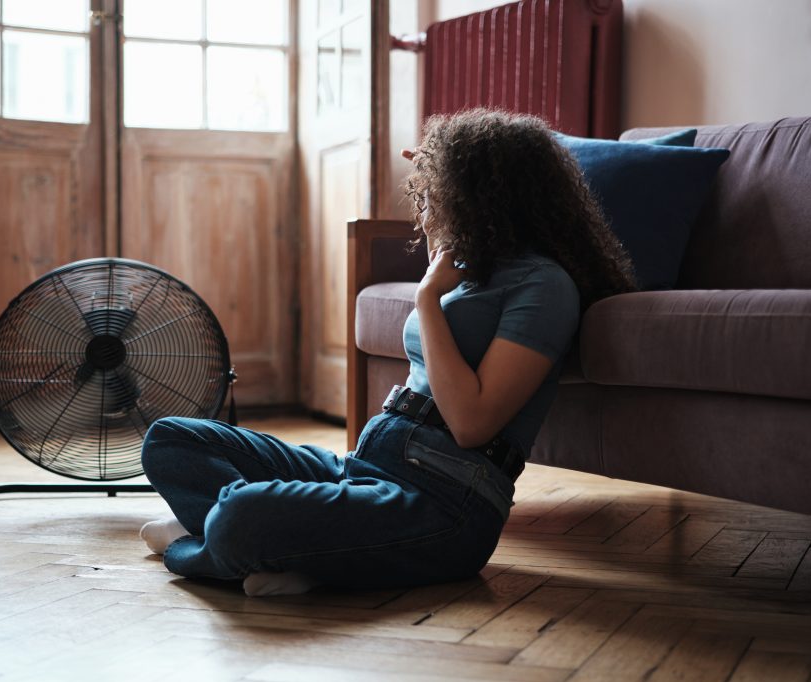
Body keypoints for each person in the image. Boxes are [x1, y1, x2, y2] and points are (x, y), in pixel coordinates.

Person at [139, 108, 637, 597]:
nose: (424, 209)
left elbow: (471, 422)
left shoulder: (545, 286)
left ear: (482, 196)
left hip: (443, 502)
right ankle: (311, 558)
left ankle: (207, 543)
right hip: (364, 466)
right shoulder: (467, 273)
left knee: (239, 515)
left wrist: (426, 298)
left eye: (434, 193)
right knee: (170, 441)